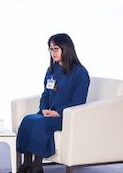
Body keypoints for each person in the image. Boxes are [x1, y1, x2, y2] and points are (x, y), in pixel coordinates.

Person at [16, 34, 90, 173]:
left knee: (40, 124)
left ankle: (37, 167)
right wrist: (44, 108)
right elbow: (45, 94)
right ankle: (26, 164)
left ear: (66, 49)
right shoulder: (51, 70)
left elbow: (79, 101)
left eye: (56, 49)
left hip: (65, 117)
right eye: (51, 49)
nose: (53, 52)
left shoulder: (80, 72)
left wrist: (58, 112)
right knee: (28, 120)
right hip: (48, 114)